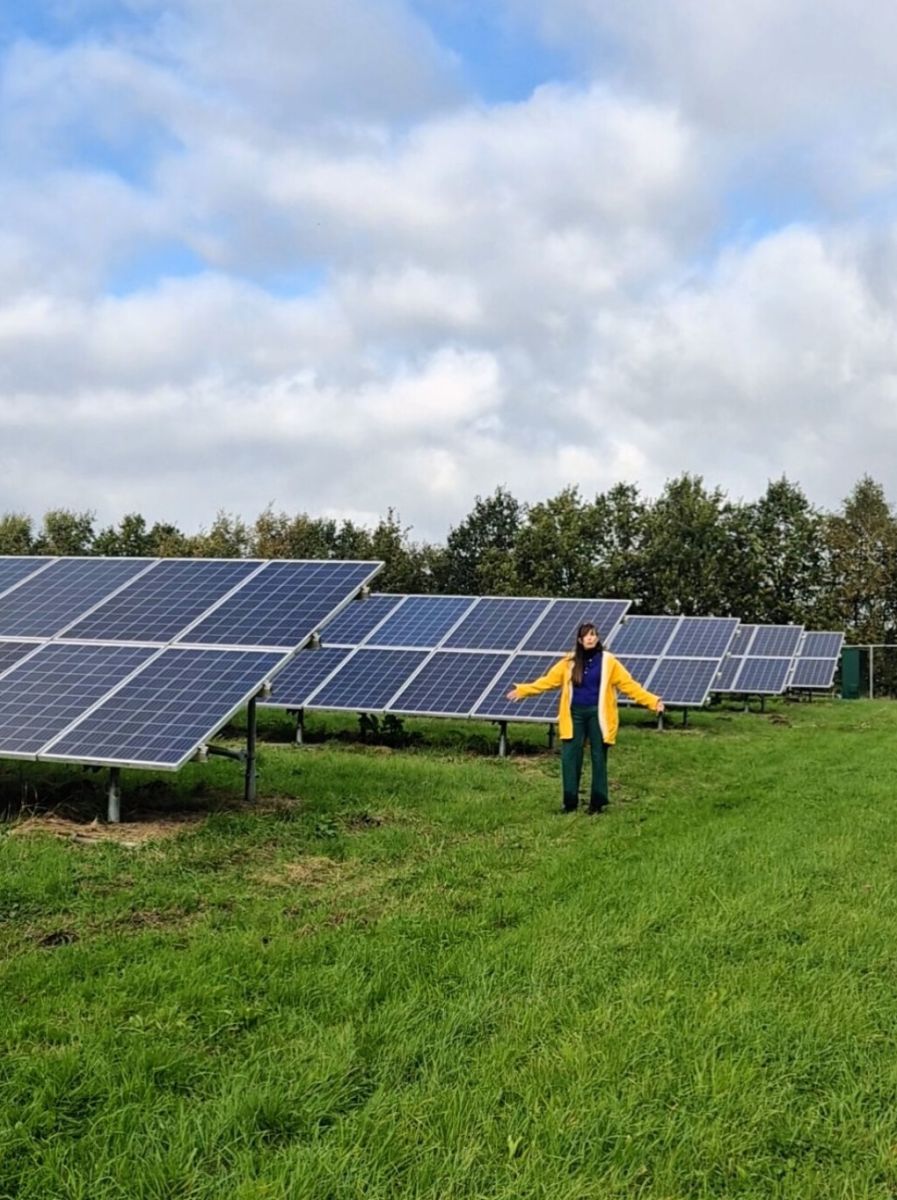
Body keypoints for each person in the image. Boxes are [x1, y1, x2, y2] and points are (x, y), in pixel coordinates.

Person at [505, 622, 664, 813]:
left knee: (598, 756)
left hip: (599, 715)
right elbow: (547, 681)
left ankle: (597, 802)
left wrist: (653, 701)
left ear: (597, 638)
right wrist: (523, 690)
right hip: (574, 714)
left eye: (593, 634)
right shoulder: (569, 662)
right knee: (570, 756)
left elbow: (629, 685)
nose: (590, 638)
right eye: (586, 635)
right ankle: (569, 802)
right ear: (580, 640)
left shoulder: (609, 661)